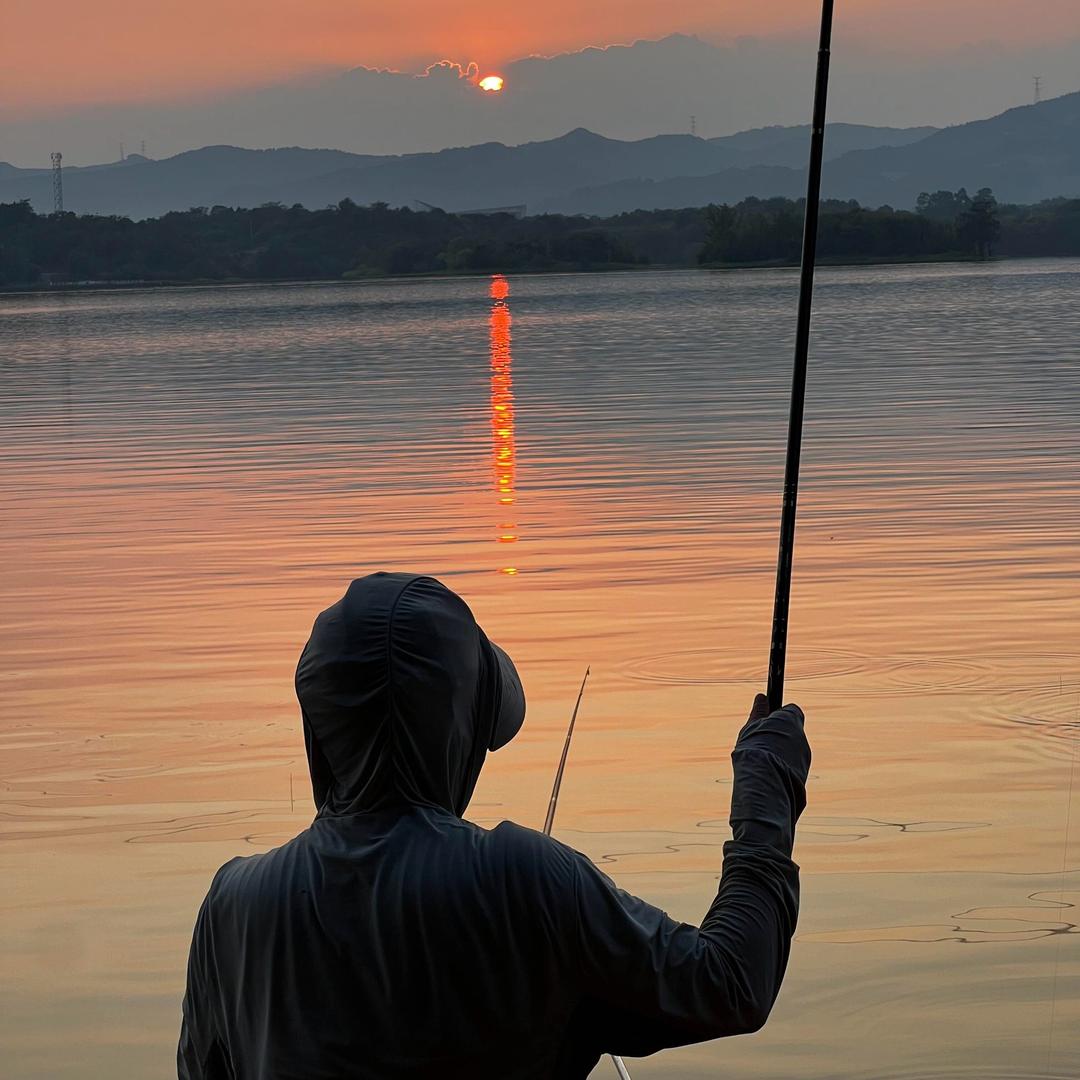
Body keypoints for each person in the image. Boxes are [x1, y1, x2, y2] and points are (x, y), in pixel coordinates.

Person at [178, 572, 810, 1079]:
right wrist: (766, 799)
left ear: (319, 727)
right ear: (459, 731)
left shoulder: (231, 907)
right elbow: (731, 983)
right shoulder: (525, 881)